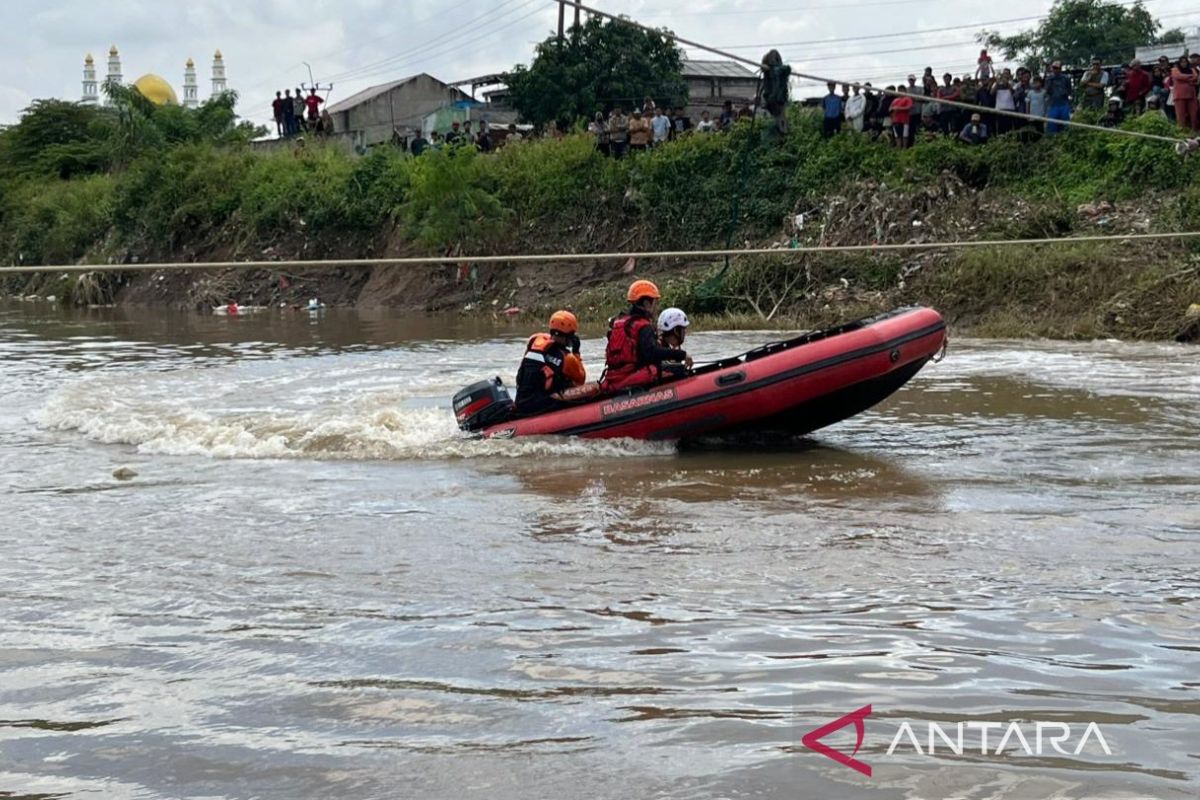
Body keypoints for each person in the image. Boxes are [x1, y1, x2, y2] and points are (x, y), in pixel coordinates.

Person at [601, 280, 689, 392]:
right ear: (647, 304)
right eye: (655, 303)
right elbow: (652, 353)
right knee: (677, 370)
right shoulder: (643, 326)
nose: (656, 307)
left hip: (614, 377)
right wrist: (682, 355)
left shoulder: (621, 322)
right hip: (630, 377)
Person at [514, 310, 587, 417]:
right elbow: (581, 380)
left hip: (520, 400)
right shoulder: (567, 358)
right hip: (538, 404)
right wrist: (576, 352)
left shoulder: (534, 341)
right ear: (570, 335)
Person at [1170, 55, 1198, 132]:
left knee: (1194, 114)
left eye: (1185, 62)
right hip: (1179, 96)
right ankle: (1182, 131)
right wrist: (1190, 77)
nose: (1184, 63)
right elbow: (1179, 76)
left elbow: (1195, 77)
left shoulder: (1192, 69)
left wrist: (1187, 78)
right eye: (1182, 62)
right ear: (1179, 63)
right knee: (1181, 115)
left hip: (1191, 95)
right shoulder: (1174, 69)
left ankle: (1194, 131)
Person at [1044, 61, 1073, 135]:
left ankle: (1064, 138)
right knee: (1052, 124)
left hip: (1063, 103)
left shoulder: (1066, 78)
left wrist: (1065, 93)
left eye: (1057, 68)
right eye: (1054, 68)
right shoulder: (1048, 78)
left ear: (1060, 69)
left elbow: (1069, 90)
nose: (1055, 69)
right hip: (1052, 104)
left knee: (1065, 124)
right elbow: (1046, 91)